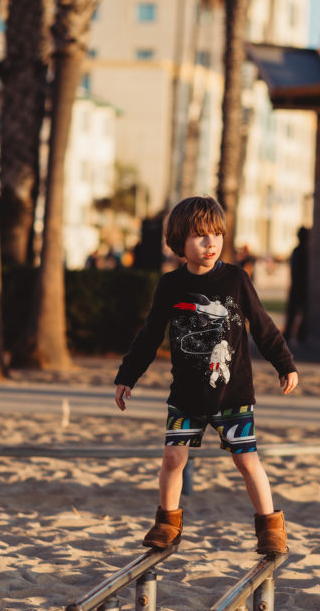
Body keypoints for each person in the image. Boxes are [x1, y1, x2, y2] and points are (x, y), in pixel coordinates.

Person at [114, 195, 298, 556]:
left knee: (247, 461)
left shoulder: (236, 280)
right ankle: (167, 522)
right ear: (180, 241)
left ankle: (270, 528)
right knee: (172, 459)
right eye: (200, 235)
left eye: (216, 233)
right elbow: (150, 335)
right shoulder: (170, 286)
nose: (210, 242)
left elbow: (262, 326)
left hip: (233, 395)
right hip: (186, 397)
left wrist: (285, 363)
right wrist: (127, 376)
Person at [284, 225, 310, 345]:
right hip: (301, 286)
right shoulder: (305, 251)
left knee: (294, 312)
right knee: (299, 311)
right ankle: (298, 335)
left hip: (296, 285)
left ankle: (293, 334)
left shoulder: (297, 251)